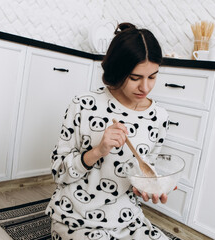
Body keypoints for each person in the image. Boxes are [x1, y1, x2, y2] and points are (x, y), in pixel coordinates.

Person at [45, 22, 171, 240]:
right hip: (76, 217)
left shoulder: (159, 117)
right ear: (118, 71)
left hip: (127, 219)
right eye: (135, 78)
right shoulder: (83, 104)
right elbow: (58, 172)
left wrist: (149, 187)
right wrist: (97, 151)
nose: (146, 87)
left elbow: (144, 169)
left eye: (152, 76)